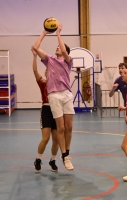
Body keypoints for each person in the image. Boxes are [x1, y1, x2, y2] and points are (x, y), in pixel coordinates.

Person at [32, 23, 75, 170]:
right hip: (54, 95)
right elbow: (36, 47)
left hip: (66, 94)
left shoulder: (68, 62)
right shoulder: (49, 60)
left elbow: (63, 49)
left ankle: (67, 152)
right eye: (57, 47)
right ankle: (64, 156)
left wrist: (58, 34)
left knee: (69, 126)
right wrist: (44, 32)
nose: (58, 48)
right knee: (61, 127)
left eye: (60, 48)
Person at [32, 48, 59, 172]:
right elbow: (35, 70)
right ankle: (38, 159)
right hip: (47, 110)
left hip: (57, 110)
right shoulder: (43, 83)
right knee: (46, 138)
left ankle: (53, 160)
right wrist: (34, 57)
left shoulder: (59, 83)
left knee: (56, 139)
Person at [109, 63, 127, 148]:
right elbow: (110, 95)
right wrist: (113, 88)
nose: (120, 70)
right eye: (119, 68)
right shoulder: (118, 80)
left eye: (123, 68)